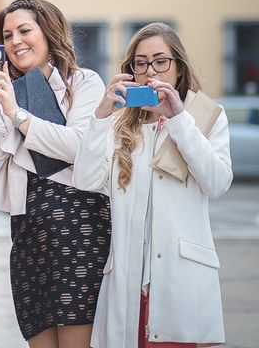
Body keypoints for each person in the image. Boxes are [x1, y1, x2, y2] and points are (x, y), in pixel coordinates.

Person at [72, 23, 233, 348]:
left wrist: (177, 119)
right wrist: (101, 115)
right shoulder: (119, 125)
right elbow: (85, 179)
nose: (150, 71)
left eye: (160, 61)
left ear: (178, 66)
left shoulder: (206, 117)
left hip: (179, 282)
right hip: (128, 284)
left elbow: (217, 183)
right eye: (140, 63)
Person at [0, 0, 111, 348]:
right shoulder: (8, 91)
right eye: (7, 35)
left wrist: (18, 115)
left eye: (25, 30)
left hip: (80, 227)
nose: (15, 41)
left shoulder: (84, 83)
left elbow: (78, 146)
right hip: (29, 233)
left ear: (48, 32)